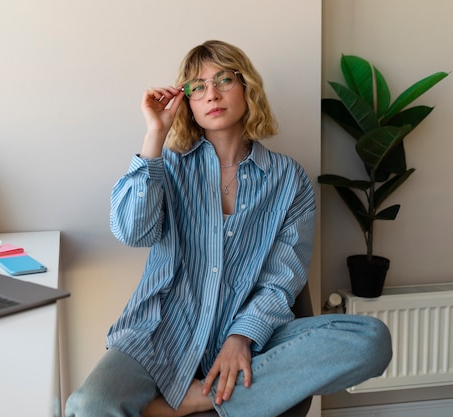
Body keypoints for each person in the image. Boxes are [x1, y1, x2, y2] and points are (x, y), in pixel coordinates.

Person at [65, 40, 392, 417]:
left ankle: (181, 403)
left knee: (370, 341)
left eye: (224, 79)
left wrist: (241, 337)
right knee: (87, 405)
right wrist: (154, 136)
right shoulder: (168, 166)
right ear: (186, 100)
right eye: (197, 87)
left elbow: (281, 279)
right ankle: (209, 397)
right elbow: (131, 232)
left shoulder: (288, 180)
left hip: (252, 341)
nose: (212, 94)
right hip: (158, 336)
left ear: (246, 85)